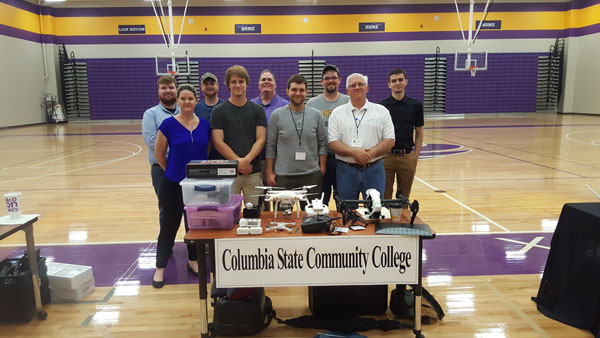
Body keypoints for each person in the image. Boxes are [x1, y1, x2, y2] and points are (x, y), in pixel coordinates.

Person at [152, 84, 211, 288]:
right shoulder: (168, 124)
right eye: (183, 99)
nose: (187, 102)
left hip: (198, 186)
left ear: (196, 101)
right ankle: (159, 268)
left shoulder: (204, 125)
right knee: (169, 225)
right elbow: (159, 154)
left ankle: (193, 260)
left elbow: (207, 151)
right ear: (178, 101)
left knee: (194, 226)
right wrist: (173, 171)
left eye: (190, 98)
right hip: (173, 184)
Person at [328, 73, 395, 204]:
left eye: (361, 84)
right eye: (353, 85)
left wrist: (370, 154)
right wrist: (354, 152)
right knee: (347, 211)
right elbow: (333, 142)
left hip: (374, 169)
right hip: (346, 170)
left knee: (375, 211)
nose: (357, 87)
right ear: (347, 91)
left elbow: (390, 140)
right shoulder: (337, 113)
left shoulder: (382, 111)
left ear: (367, 88)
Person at [266, 74, 327, 207]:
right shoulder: (277, 115)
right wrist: (270, 172)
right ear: (287, 91)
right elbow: (271, 146)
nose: (297, 93)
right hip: (283, 176)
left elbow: (322, 143)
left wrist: (321, 168)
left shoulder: (316, 115)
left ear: (306, 92)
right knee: (282, 219)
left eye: (301, 90)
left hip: (311, 175)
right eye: (294, 89)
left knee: (311, 218)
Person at [211, 65, 267, 206]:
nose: (238, 85)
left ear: (247, 84)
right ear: (228, 85)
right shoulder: (218, 111)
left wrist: (246, 161)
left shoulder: (257, 110)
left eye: (241, 81)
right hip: (229, 174)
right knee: (229, 216)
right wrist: (238, 163)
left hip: (253, 172)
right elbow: (218, 142)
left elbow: (261, 140)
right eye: (234, 82)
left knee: (255, 214)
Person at [306, 65, 349, 207]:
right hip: (320, 160)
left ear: (339, 80)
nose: (330, 81)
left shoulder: (348, 101)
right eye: (327, 78)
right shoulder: (312, 104)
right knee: (319, 202)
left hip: (343, 159)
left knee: (342, 201)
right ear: (322, 82)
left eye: (333, 78)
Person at [379, 68, 424, 199]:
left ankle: (402, 219)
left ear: (406, 82)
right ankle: (386, 220)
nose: (397, 83)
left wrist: (415, 156)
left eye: (400, 80)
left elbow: (419, 132)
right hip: (386, 157)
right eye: (394, 81)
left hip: (407, 157)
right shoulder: (382, 106)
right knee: (384, 198)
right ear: (389, 84)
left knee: (403, 199)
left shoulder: (415, 105)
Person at [142, 75, 179, 230]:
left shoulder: (185, 111)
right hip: (161, 169)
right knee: (166, 209)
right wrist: (179, 152)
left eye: (171, 87)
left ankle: (193, 245)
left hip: (184, 169)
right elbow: (152, 141)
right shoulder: (151, 114)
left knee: (189, 208)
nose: (168, 91)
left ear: (176, 89)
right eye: (164, 88)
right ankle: (166, 245)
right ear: (158, 91)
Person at [251, 70, 289, 210]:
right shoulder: (251, 105)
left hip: (279, 162)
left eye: (269, 79)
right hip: (256, 161)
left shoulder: (285, 105)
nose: (266, 81)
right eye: (263, 79)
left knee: (281, 202)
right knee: (260, 203)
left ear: (275, 85)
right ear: (259, 85)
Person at [194, 72, 225, 159]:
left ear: (218, 86)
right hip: (202, 155)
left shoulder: (226, 106)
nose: (209, 86)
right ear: (201, 87)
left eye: (212, 83)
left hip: (224, 156)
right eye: (206, 84)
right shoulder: (196, 108)